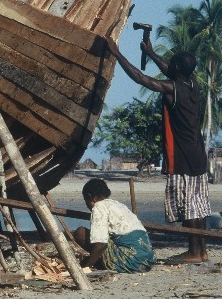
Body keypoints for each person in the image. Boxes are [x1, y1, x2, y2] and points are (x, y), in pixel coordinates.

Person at [105, 37, 211, 264]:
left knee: (189, 207)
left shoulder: (172, 89)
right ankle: (201, 251)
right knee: (199, 205)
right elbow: (170, 69)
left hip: (182, 156)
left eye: (172, 64)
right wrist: (151, 53)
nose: (168, 67)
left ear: (177, 69)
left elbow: (142, 79)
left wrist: (117, 54)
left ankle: (193, 252)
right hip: (198, 154)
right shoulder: (192, 83)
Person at [73, 178, 156, 273]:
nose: (87, 205)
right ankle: (99, 261)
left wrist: (86, 266)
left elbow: (101, 244)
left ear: (90, 197)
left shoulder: (99, 207)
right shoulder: (118, 205)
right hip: (147, 260)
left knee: (80, 232)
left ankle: (100, 263)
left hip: (132, 262)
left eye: (86, 201)